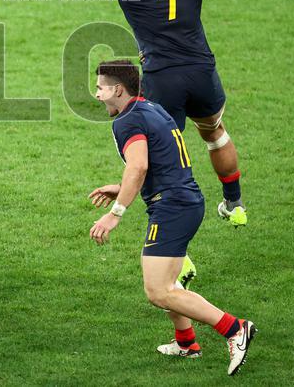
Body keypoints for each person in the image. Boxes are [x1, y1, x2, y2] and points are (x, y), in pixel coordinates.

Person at [56, 0, 253, 227]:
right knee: (214, 133)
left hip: (162, 77)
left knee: (159, 154)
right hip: (201, 68)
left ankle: (171, 238)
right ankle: (234, 204)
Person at [88, 60, 256, 376]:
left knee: (158, 290)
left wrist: (115, 213)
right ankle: (186, 342)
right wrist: (120, 188)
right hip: (183, 201)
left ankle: (235, 329)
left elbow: (138, 166)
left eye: (100, 88)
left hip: (172, 207)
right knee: (165, 279)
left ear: (118, 90)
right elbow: (160, 161)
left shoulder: (127, 121)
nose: (97, 95)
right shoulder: (151, 108)